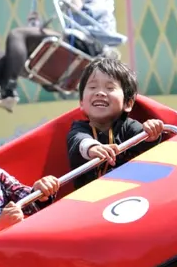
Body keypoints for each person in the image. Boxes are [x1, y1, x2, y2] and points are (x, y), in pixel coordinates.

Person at [65, 57, 165, 186]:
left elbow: (148, 144)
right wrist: (92, 148)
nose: (100, 93)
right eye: (93, 87)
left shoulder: (129, 126)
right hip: (89, 202)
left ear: (128, 103)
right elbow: (79, 141)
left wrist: (152, 131)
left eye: (110, 88)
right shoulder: (78, 129)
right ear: (82, 103)